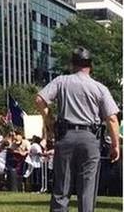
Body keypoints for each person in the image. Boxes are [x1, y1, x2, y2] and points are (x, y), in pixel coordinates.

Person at [35, 46, 120, 212]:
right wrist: (115, 144)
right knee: (87, 188)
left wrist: (49, 120)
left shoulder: (61, 81)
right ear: (90, 65)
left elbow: (39, 99)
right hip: (90, 137)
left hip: (65, 136)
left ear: (72, 64)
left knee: (62, 187)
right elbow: (112, 118)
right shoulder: (99, 88)